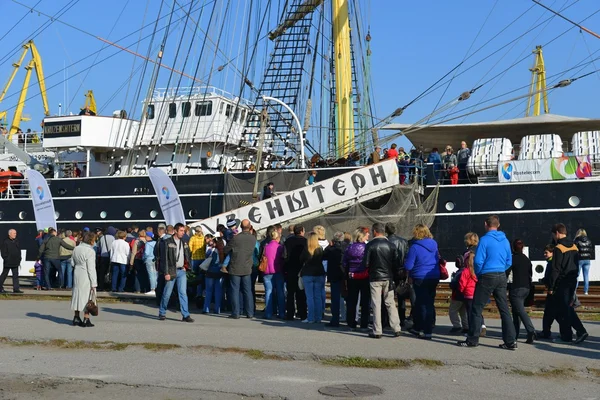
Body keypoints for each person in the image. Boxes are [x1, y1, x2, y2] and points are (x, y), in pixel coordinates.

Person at [457, 215, 516, 349]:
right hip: (501, 275)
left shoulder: (484, 240)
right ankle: (511, 341)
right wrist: (501, 269)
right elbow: (509, 261)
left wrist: (479, 273)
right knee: (504, 309)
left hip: (486, 275)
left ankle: (472, 340)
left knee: (476, 309)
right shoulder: (505, 240)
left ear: (485, 224)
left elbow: (477, 261)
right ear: (498, 225)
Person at [549, 223, 588, 344]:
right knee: (565, 308)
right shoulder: (574, 247)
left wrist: (551, 286)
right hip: (572, 280)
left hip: (562, 282)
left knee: (565, 308)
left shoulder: (558, 248)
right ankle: (566, 335)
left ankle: (579, 331)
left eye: (553, 235)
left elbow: (556, 269)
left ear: (556, 233)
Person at [364, 223, 401, 338]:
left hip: (375, 278)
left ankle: (377, 330)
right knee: (390, 303)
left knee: (376, 303)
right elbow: (397, 263)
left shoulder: (370, 245)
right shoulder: (391, 245)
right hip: (388, 278)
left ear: (375, 231)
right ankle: (396, 328)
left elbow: (366, 263)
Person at [404, 224, 440, 340]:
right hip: (434, 276)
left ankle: (426, 330)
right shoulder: (434, 244)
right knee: (427, 302)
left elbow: (409, 265)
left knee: (423, 304)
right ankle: (418, 327)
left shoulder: (414, 247)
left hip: (420, 277)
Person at [158, 223, 194, 322]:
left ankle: (185, 315)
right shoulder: (167, 242)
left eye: (184, 231)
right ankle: (162, 312)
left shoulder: (184, 242)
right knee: (167, 293)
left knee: (183, 293)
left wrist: (186, 266)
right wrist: (166, 273)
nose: (183, 233)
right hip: (171, 270)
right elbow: (164, 259)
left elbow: (187, 255)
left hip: (181, 270)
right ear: (175, 231)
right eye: (181, 231)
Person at [223, 219, 256, 319]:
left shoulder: (236, 238)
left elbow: (226, 250)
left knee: (235, 290)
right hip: (247, 267)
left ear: (240, 226)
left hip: (235, 266)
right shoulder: (253, 238)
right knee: (247, 291)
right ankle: (250, 313)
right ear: (250, 226)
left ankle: (236, 313)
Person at [506, 239, 536, 344]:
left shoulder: (512, 259)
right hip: (526, 288)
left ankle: (531, 330)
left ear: (513, 247)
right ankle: (515, 334)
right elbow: (530, 274)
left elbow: (506, 272)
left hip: (516, 288)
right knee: (516, 311)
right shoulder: (527, 259)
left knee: (520, 311)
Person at [344, 227, 370, 331]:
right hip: (364, 275)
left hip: (352, 275)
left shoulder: (349, 247)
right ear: (363, 236)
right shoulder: (367, 247)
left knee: (352, 300)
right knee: (365, 301)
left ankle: (351, 323)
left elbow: (344, 262)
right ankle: (364, 324)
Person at [71, 232, 98, 327]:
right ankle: (86, 318)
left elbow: (72, 263)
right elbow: (91, 268)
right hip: (86, 274)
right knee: (88, 297)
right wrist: (94, 282)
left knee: (77, 295)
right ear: (91, 240)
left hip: (77, 273)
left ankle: (76, 317)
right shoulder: (90, 251)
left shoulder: (76, 248)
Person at [299, 232, 326, 324]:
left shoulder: (306, 249)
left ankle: (310, 317)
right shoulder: (320, 249)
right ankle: (318, 317)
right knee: (318, 297)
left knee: (309, 297)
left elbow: (301, 260)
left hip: (308, 273)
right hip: (319, 273)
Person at [283, 224, 308, 321]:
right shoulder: (305, 241)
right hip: (301, 270)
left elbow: (284, 255)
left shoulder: (288, 241)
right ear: (301, 231)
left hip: (290, 269)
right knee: (301, 293)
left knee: (290, 293)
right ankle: (302, 313)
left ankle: (290, 313)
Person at [324, 232, 345, 328]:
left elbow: (323, 256)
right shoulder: (346, 247)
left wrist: (329, 246)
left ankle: (335, 319)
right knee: (350, 298)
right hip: (344, 275)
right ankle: (351, 319)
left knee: (335, 298)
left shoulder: (331, 250)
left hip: (334, 275)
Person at [263, 230, 286, 319]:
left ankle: (268, 313)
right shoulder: (280, 247)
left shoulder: (266, 247)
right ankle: (282, 313)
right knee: (280, 292)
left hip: (267, 271)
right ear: (277, 237)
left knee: (268, 291)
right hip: (278, 271)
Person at [538, 244, 556, 339]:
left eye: (546, 253)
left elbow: (552, 276)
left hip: (552, 291)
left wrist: (550, 287)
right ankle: (546, 331)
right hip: (552, 290)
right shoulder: (550, 262)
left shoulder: (551, 263)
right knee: (553, 313)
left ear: (552, 253)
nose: (544, 254)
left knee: (549, 312)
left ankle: (546, 332)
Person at [203, 235, 224, 314]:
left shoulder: (213, 250)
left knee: (208, 291)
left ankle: (206, 308)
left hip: (210, 272)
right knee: (218, 291)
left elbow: (207, 257)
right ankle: (217, 309)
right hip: (219, 272)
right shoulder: (222, 251)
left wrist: (210, 248)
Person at [449, 255, 468, 334]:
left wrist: (452, 280)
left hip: (457, 295)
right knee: (463, 311)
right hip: (465, 295)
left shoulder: (459, 273)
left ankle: (456, 326)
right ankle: (466, 326)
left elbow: (453, 285)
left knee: (452, 311)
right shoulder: (467, 271)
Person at [0, 229, 23, 294]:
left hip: (16, 261)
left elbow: (19, 250)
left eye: (15, 233)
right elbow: (3, 252)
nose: (15, 234)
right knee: (4, 275)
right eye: (14, 233)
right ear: (9, 234)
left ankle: (16, 289)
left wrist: (19, 258)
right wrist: (6, 258)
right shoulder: (5, 242)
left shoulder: (16, 241)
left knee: (15, 276)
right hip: (8, 262)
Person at [574, 229, 594, 295]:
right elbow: (591, 250)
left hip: (579, 259)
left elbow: (574, 250)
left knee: (577, 275)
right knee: (586, 275)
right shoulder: (589, 240)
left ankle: (574, 290)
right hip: (587, 259)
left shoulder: (577, 240)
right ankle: (586, 291)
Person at [189, 226, 206, 301]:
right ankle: (200, 294)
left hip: (194, 259)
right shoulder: (203, 238)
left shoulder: (193, 238)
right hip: (202, 259)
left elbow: (189, 248)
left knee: (193, 277)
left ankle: (193, 293)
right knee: (201, 276)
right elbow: (205, 248)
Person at [96, 226, 115, 292]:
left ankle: (101, 286)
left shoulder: (102, 237)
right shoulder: (113, 238)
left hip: (103, 256)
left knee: (102, 272)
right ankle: (109, 286)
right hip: (110, 256)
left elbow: (99, 247)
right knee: (110, 272)